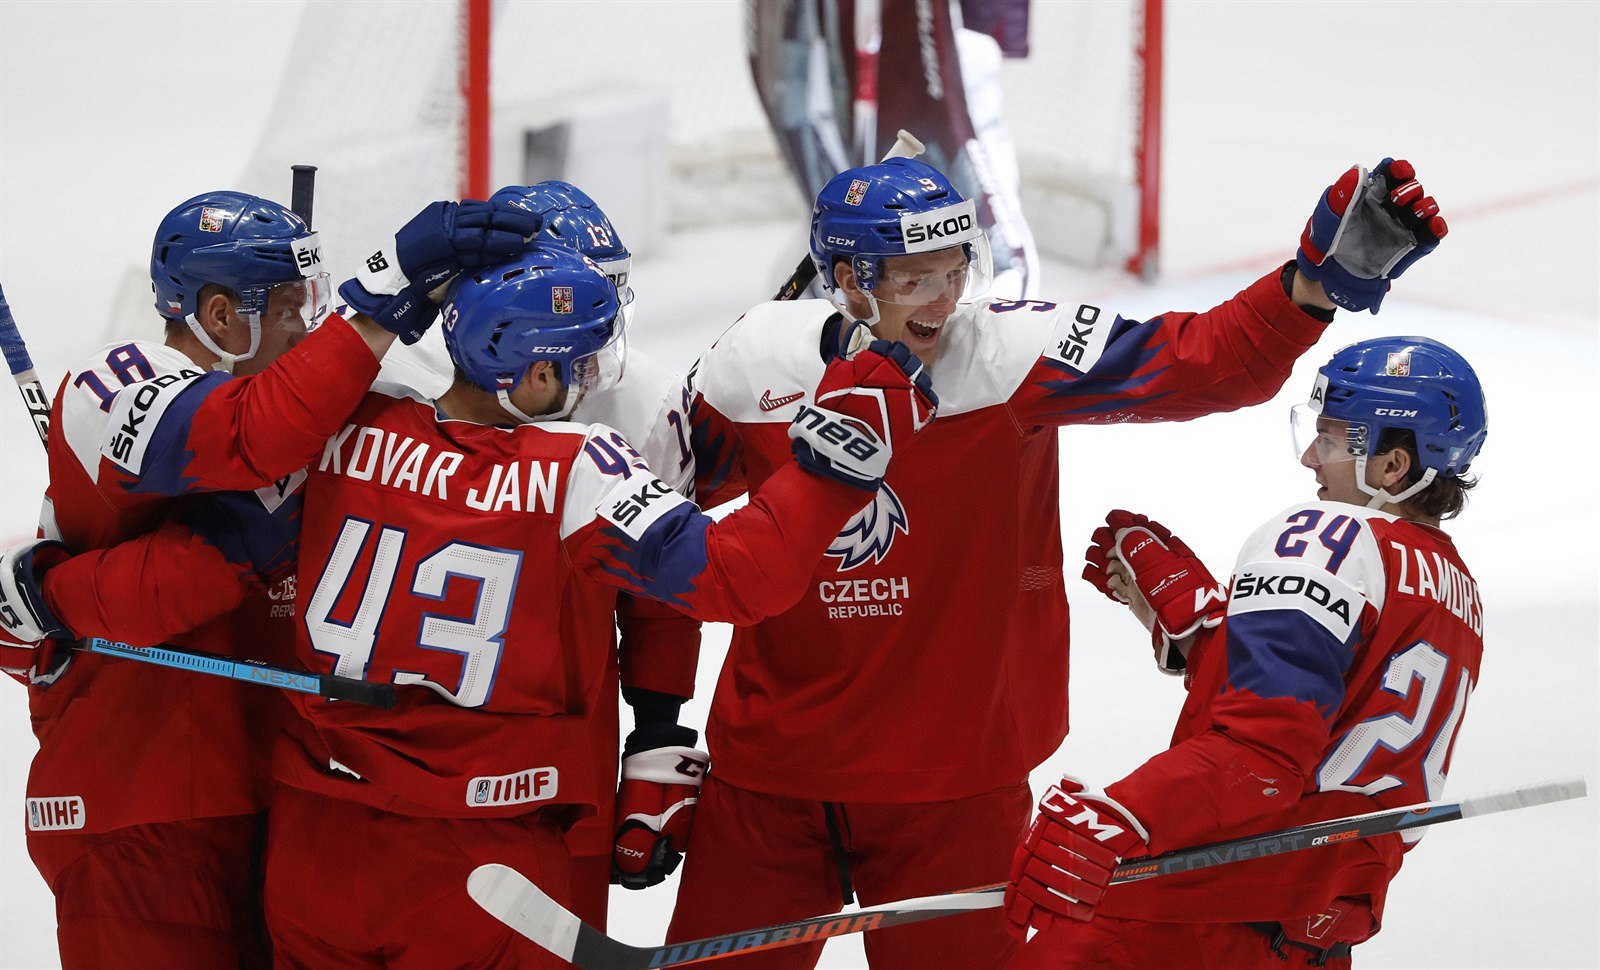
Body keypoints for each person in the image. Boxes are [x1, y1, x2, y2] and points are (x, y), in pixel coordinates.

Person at [663, 156, 1448, 968]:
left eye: (954, 270)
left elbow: (1204, 361)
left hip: (956, 792)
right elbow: (654, 529)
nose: (943, 300)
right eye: (914, 278)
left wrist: (1309, 288)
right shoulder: (752, 362)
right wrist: (654, 732)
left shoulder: (1011, 351)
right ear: (848, 281)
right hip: (770, 783)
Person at [228, 243, 935, 965]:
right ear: (537, 374)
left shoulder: (348, 421)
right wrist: (834, 463)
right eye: (581, 364)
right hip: (478, 866)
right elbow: (742, 577)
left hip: (313, 841)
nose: (593, 378)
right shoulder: (574, 468)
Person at [0, 190, 536, 968]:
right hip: (137, 805)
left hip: (281, 799)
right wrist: (386, 292)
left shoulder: (316, 399)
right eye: (290, 309)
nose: (308, 329)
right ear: (220, 316)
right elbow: (252, 443)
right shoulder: (111, 385)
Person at [1004, 336, 1488, 969]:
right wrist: (1205, 638)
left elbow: (1265, 751)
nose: (1311, 457)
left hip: (1180, 930)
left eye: (1332, 439)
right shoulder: (1457, 593)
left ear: (1392, 465)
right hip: (1312, 942)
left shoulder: (1329, 539)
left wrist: (1123, 815)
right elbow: (1322, 719)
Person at [488, 180, 706, 926]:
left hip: (562, 752)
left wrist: (657, 734)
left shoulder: (642, 400)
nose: (595, 331)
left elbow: (662, 593)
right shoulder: (406, 380)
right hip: (395, 748)